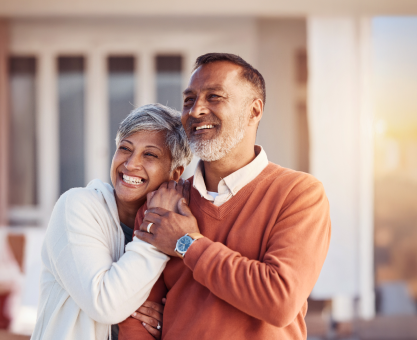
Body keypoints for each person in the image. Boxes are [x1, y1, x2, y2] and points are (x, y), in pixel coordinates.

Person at [119, 53, 332, 340]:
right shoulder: (162, 204)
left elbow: (279, 299)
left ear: (254, 111)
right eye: (189, 100)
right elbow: (136, 316)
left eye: (214, 97)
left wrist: (187, 244)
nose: (195, 111)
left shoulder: (299, 195)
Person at [31, 104, 192, 340]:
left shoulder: (180, 225)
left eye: (150, 154)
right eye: (125, 148)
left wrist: (166, 321)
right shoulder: (77, 206)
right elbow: (105, 304)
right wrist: (155, 234)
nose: (130, 164)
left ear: (175, 173)